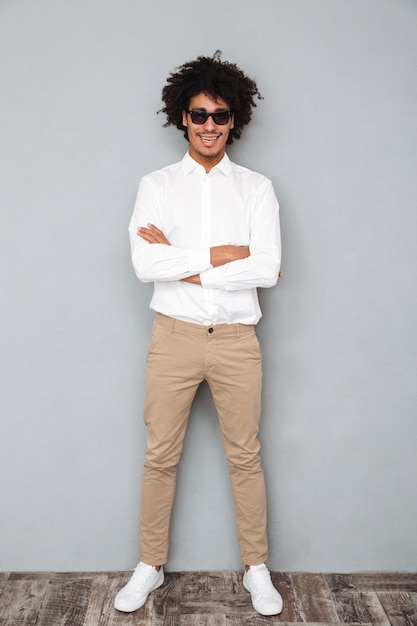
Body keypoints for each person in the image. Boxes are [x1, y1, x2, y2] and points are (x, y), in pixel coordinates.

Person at [114, 51, 283, 617]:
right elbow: (143, 264)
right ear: (181, 117)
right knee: (159, 456)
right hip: (174, 338)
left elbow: (267, 269)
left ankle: (257, 569)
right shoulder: (156, 185)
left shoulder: (257, 188)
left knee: (246, 457)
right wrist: (221, 255)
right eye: (199, 113)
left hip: (237, 341)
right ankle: (149, 565)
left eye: (220, 114)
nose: (209, 123)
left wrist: (181, 260)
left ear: (235, 120)